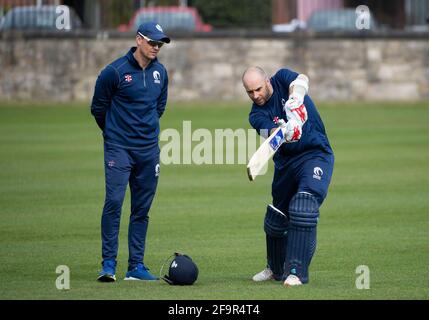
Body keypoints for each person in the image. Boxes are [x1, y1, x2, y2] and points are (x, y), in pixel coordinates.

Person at [90, 22, 170, 282]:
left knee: (141, 209)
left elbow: (159, 107)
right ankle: (108, 265)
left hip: (148, 151)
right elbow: (98, 108)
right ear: (139, 40)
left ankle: (135, 266)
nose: (156, 47)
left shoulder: (161, 73)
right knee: (114, 203)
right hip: (119, 148)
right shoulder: (114, 71)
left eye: (160, 44)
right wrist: (114, 133)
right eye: (152, 42)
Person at [242, 66, 334, 286]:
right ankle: (274, 269)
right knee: (276, 218)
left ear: (267, 81)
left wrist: (296, 99)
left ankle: (295, 272)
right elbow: (273, 135)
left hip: (314, 154)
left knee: (303, 206)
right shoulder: (256, 114)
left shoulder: (282, 78)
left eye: (258, 89)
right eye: (249, 92)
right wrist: (287, 130)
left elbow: (301, 80)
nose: (256, 96)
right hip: (285, 163)